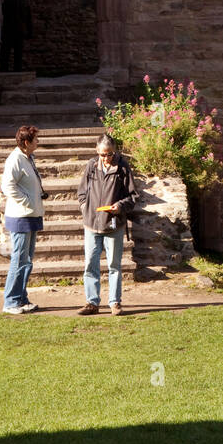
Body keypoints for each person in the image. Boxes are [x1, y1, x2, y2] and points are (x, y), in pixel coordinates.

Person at [77, 133, 138, 316]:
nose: (106, 158)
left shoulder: (123, 167)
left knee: (114, 265)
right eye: (103, 154)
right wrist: (85, 208)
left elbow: (133, 196)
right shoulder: (91, 166)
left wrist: (119, 206)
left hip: (113, 225)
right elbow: (81, 192)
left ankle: (115, 302)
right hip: (91, 224)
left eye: (109, 154)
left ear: (115, 151)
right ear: (97, 151)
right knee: (90, 265)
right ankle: (92, 303)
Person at [0, 124, 43, 315]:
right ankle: (10, 302)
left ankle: (21, 298)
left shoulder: (27, 158)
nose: (38, 143)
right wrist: (26, 200)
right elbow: (7, 186)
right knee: (18, 259)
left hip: (31, 214)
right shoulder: (15, 159)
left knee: (27, 259)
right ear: (26, 142)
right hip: (21, 216)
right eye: (36, 140)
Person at [0, 0, 32, 72]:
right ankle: (18, 72)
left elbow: (2, 16)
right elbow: (29, 20)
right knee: (18, 54)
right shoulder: (25, 3)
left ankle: (4, 72)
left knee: (5, 54)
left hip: (8, 31)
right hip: (20, 31)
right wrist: (29, 32)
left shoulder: (5, 3)